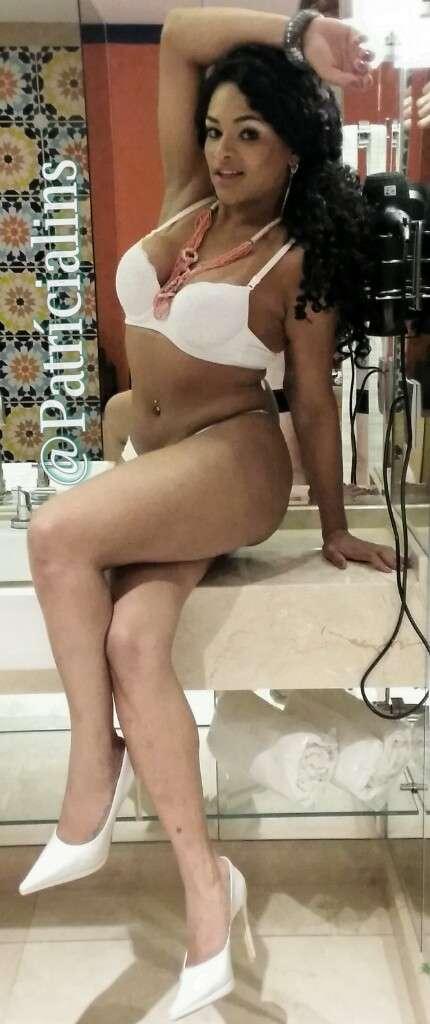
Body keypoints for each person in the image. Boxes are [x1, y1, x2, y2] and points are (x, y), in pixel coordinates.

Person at [18, 6, 390, 1018]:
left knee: (56, 535)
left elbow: (311, 402)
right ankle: (207, 898)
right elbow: (182, 29)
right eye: (216, 130)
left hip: (234, 462)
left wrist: (332, 524)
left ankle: (92, 768)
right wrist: (296, 26)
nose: (223, 151)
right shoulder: (188, 202)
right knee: (135, 639)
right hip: (163, 462)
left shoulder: (294, 258)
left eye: (250, 135)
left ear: (293, 150)